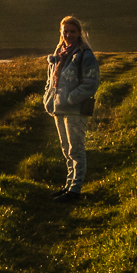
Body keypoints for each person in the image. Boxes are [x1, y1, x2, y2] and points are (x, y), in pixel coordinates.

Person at [44, 15, 99, 202]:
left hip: (75, 109)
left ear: (79, 33)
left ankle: (75, 190)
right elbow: (51, 80)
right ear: (61, 33)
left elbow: (91, 83)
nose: (68, 35)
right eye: (65, 31)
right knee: (66, 149)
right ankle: (69, 186)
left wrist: (69, 98)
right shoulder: (59, 52)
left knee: (76, 149)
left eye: (72, 31)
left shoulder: (85, 54)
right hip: (58, 108)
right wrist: (49, 98)